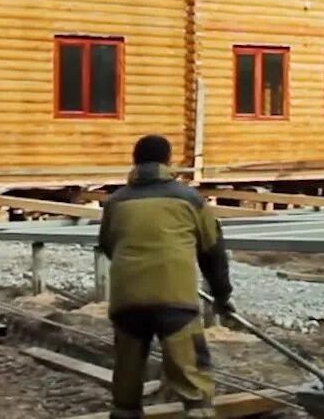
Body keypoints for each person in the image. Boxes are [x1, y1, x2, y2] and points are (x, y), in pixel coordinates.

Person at [99, 135, 233, 419]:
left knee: (126, 378)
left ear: (135, 161)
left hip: (127, 299)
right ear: (168, 162)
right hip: (175, 300)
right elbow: (212, 252)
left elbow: (109, 246)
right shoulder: (189, 199)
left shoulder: (115, 202)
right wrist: (222, 295)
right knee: (192, 377)